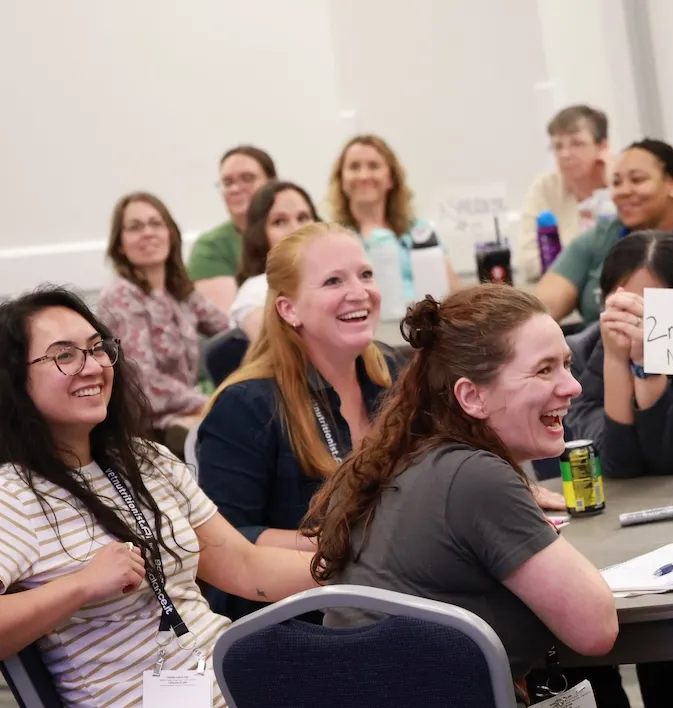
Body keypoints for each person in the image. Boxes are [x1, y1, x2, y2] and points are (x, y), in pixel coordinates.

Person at [0, 286, 316, 707]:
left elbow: (246, 567)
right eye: (64, 355)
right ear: (14, 380)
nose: (92, 366)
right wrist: (79, 586)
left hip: (233, 681)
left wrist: (355, 563)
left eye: (97, 348)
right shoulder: (15, 496)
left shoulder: (144, 458)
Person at [304, 285, 618, 700]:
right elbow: (596, 629)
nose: (572, 387)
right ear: (471, 396)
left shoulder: (392, 462)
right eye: (544, 370)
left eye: (566, 364)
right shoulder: (475, 477)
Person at [197, 223, 396, 621]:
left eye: (366, 275)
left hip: (388, 591)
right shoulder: (246, 406)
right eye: (333, 281)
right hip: (291, 621)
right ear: (288, 309)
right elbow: (227, 542)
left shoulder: (390, 372)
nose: (359, 292)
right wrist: (340, 544)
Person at [535, 139, 673, 325]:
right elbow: (541, 311)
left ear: (672, 185)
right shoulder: (600, 237)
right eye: (616, 182)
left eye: (637, 179)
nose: (623, 191)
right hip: (596, 366)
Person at [566, 231, 673, 476]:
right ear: (604, 304)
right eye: (626, 307)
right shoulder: (575, 358)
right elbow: (617, 463)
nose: (641, 325)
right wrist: (615, 359)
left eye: (652, 310)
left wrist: (647, 363)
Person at [97, 192, 229, 457]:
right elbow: (142, 383)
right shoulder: (122, 295)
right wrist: (213, 402)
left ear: (170, 234)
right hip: (145, 430)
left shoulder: (178, 290)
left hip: (187, 415)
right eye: (135, 227)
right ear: (120, 244)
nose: (148, 232)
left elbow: (226, 327)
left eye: (156, 224)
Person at [327, 134, 461, 298]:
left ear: (391, 178)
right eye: (354, 167)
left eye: (373, 166)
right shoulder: (331, 239)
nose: (363, 175)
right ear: (341, 178)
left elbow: (454, 292)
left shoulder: (421, 232)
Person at [518, 105, 615, 282]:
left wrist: (613, 184)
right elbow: (529, 262)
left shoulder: (622, 184)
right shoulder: (546, 187)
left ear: (602, 147)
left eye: (577, 144)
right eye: (557, 146)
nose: (564, 154)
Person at [188, 145, 277, 311]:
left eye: (247, 178)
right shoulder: (210, 247)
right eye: (227, 182)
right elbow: (227, 322)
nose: (235, 188)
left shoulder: (304, 230)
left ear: (273, 183)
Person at [228, 180, 319, 341]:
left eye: (303, 217)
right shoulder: (255, 292)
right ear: (260, 235)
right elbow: (276, 350)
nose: (296, 229)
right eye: (280, 221)